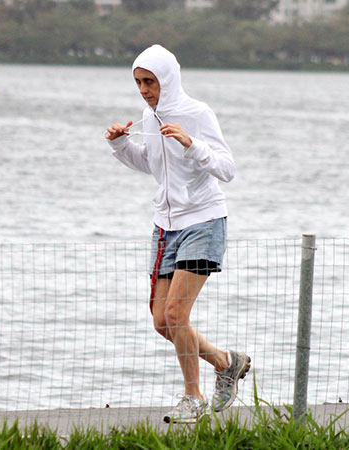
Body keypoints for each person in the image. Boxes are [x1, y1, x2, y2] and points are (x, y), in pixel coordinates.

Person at [105, 44, 251, 424]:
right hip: (165, 227)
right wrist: (121, 144)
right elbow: (152, 164)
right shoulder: (147, 117)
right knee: (161, 322)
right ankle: (226, 362)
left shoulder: (197, 113)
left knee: (175, 313)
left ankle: (193, 397)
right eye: (138, 82)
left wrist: (191, 143)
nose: (143, 89)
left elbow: (227, 168)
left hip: (203, 221)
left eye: (149, 81)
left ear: (166, 79)